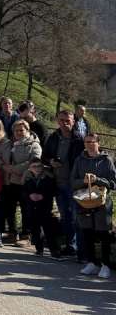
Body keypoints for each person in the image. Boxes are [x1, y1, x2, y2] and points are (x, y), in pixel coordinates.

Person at [43, 110, 85, 259]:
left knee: (76, 217)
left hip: (74, 184)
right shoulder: (53, 137)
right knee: (65, 216)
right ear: (57, 121)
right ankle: (70, 246)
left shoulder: (79, 139)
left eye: (68, 120)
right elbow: (44, 156)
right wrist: (51, 161)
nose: (64, 123)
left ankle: (79, 249)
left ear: (73, 121)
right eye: (61, 120)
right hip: (58, 183)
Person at [72, 133, 115, 279]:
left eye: (92, 142)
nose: (89, 144)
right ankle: (92, 262)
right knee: (87, 232)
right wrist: (83, 181)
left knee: (103, 234)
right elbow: (72, 181)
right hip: (84, 201)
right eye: (86, 142)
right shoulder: (79, 160)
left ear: (98, 143)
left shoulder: (106, 160)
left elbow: (113, 183)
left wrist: (98, 180)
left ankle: (105, 265)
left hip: (102, 202)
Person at [4, 120, 42, 246]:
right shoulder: (11, 144)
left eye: (21, 130)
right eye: (16, 131)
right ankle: (12, 233)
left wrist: (13, 169)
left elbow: (33, 162)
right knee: (10, 208)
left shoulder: (34, 145)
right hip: (12, 181)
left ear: (27, 130)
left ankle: (26, 235)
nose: (19, 133)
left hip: (27, 181)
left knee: (26, 209)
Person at [21, 159, 61, 259]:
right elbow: (23, 192)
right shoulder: (27, 178)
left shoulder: (48, 177)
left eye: (39, 166)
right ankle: (39, 249)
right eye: (34, 166)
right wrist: (29, 195)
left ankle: (54, 250)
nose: (37, 168)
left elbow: (53, 191)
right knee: (35, 229)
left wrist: (43, 196)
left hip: (45, 207)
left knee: (49, 229)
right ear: (30, 168)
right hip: (32, 207)